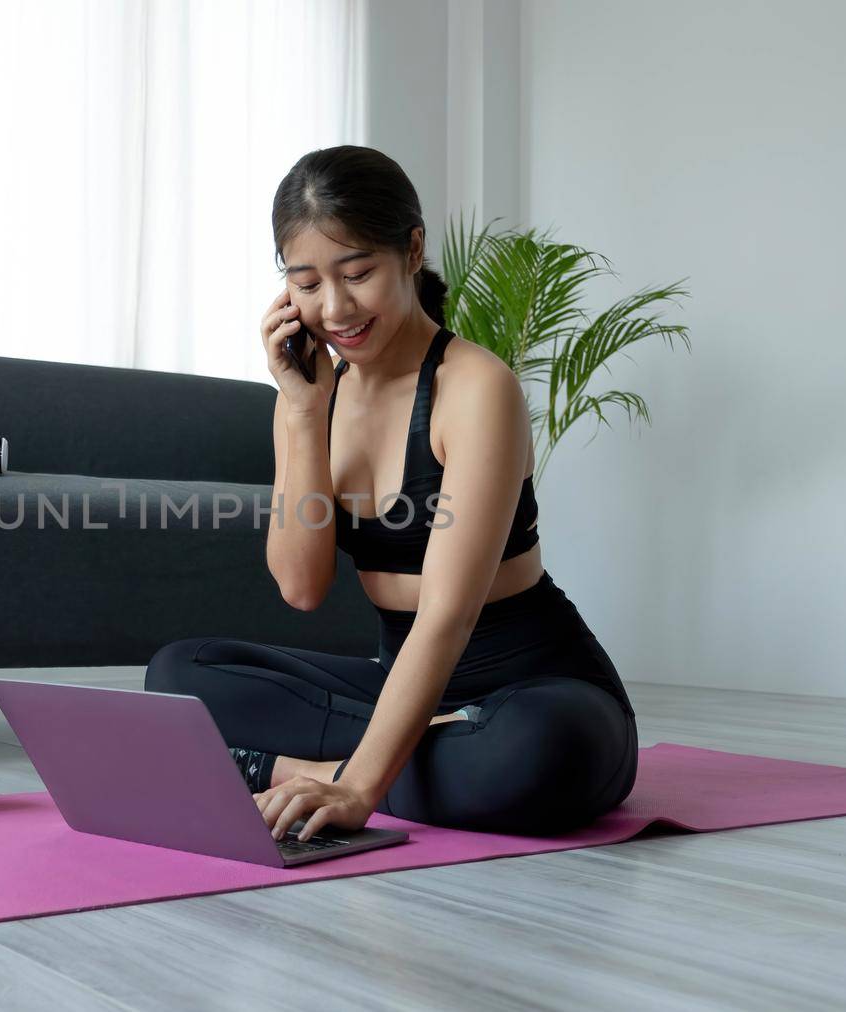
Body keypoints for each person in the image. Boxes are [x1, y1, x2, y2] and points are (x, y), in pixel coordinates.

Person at [144, 145, 638, 843]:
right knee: (179, 675)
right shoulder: (318, 394)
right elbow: (301, 585)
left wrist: (359, 788)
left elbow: (446, 613)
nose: (336, 307)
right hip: (400, 685)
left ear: (411, 252)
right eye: (307, 283)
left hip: (534, 692)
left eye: (358, 273)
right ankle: (369, 756)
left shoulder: (475, 389)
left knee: (534, 755)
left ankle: (290, 770)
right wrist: (299, 412)